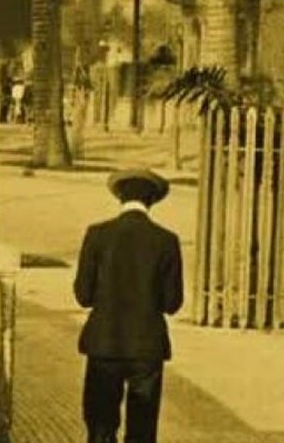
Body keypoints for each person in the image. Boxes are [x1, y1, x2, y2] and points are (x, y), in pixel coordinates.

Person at [74, 168, 184, 443]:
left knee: (100, 425)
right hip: (147, 347)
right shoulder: (166, 241)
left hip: (104, 343)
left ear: (120, 197)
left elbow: (83, 295)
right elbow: (172, 303)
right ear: (152, 201)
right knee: (142, 430)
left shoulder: (97, 234)